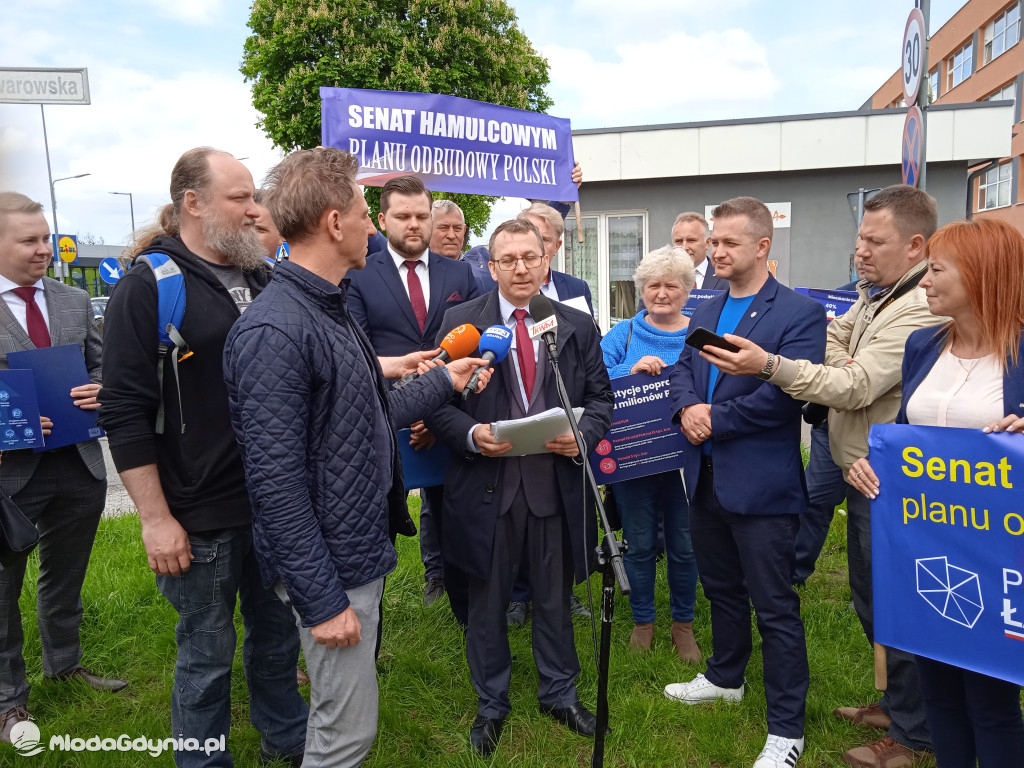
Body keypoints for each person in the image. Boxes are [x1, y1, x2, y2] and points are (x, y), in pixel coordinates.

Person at [224, 147, 492, 768]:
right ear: (333, 223)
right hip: (332, 567)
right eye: (365, 213)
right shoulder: (276, 331)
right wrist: (322, 600)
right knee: (344, 737)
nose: (373, 225)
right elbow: (275, 486)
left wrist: (444, 380)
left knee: (348, 727)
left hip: (353, 549)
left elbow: (363, 413)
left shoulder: (328, 306)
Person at [702, 185, 942, 767]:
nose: (860, 250)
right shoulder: (876, 296)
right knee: (871, 596)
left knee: (897, 602)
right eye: (860, 237)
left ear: (915, 246)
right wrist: (837, 363)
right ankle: (899, 706)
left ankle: (915, 733)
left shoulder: (917, 306)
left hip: (891, 477)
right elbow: (834, 342)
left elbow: (854, 385)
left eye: (874, 240)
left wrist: (772, 365)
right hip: (859, 466)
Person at [98, 148, 308, 768]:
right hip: (197, 516)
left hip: (271, 507)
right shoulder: (148, 286)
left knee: (277, 641)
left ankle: (287, 744)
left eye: (255, 197)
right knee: (206, 658)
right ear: (193, 203)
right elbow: (124, 412)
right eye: (240, 197)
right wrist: (154, 518)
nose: (255, 210)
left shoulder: (265, 277)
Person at [425, 218, 614, 756]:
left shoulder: (575, 324)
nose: (521, 268)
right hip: (487, 487)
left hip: (553, 485)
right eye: (508, 259)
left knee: (555, 598)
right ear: (491, 267)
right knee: (486, 603)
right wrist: (470, 434)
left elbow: (601, 399)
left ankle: (560, 693)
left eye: (530, 256)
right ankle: (491, 704)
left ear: (546, 259)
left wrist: (583, 435)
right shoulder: (461, 322)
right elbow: (434, 400)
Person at [847, 217, 1024, 768]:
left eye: (937, 270)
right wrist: (873, 465)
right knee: (939, 689)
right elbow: (908, 433)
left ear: (981, 275)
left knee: (990, 698)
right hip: (925, 543)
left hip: (999, 552)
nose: (923, 281)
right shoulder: (923, 344)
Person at [665, 197, 825, 768]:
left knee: (774, 606)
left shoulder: (799, 313)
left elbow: (785, 398)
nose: (716, 251)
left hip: (761, 486)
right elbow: (683, 370)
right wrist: (686, 408)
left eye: (729, 242)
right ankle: (725, 677)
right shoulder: (706, 304)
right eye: (713, 241)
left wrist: (714, 420)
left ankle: (786, 730)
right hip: (705, 478)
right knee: (721, 589)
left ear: (763, 246)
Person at [0, 192, 125, 743]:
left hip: (79, 464)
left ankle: (64, 665)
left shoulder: (73, 300)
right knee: (3, 590)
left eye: (46, 238)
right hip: (9, 476)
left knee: (65, 575)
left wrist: (102, 390)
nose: (43, 249)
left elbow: (102, 366)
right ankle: (8, 701)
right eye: (28, 240)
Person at [347, 175, 481, 620]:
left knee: (455, 518)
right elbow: (357, 353)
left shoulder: (460, 273)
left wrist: (435, 411)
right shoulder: (358, 274)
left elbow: (475, 341)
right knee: (378, 524)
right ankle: (370, 621)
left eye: (422, 216)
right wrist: (411, 408)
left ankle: (467, 615)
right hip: (384, 419)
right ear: (382, 219)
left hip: (449, 415)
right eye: (403, 216)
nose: (414, 224)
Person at [599, 245, 700, 662]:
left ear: (688, 290)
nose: (661, 293)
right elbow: (592, 382)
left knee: (685, 545)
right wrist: (629, 371)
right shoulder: (621, 335)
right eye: (653, 285)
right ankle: (643, 622)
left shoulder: (701, 334)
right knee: (638, 545)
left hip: (689, 461)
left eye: (671, 286)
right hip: (634, 460)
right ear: (641, 290)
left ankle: (683, 625)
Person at [672, 212, 728, 290]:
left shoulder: (726, 278)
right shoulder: (663, 277)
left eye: (691, 240)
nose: (684, 247)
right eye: (679, 241)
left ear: (707, 243)